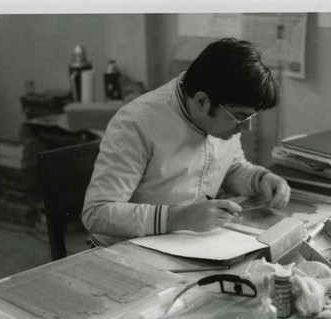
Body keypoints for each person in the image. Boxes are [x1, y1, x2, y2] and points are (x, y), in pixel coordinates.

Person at [82, 38, 291, 247]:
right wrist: (179, 217)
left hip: (186, 243)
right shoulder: (137, 123)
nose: (247, 128)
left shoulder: (225, 113)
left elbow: (230, 169)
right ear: (202, 101)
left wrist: (260, 179)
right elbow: (97, 212)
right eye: (240, 117)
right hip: (125, 250)